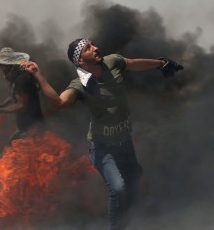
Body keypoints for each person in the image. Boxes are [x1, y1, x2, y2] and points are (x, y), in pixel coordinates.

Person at [25, 38, 183, 230]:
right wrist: (38, 76)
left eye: (93, 44)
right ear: (80, 61)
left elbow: (134, 63)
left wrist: (161, 63)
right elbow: (58, 102)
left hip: (124, 142)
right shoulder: (80, 85)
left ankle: (124, 222)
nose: (95, 48)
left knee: (134, 178)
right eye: (88, 48)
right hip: (101, 147)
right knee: (117, 188)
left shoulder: (112, 61)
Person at [0, 47, 45, 145]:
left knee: (16, 156)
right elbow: (14, 95)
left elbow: (21, 106)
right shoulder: (15, 78)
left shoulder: (22, 79)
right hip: (23, 127)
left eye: (5, 65)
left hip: (32, 129)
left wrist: (1, 111)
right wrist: (1, 105)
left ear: (13, 63)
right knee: (8, 153)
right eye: (1, 65)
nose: (3, 68)